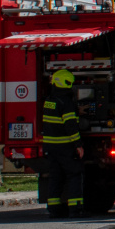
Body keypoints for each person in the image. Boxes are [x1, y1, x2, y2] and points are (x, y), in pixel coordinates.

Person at [40, 69, 84, 217]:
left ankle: (53, 209)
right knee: (74, 174)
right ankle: (75, 209)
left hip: (51, 147)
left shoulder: (49, 101)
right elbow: (70, 126)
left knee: (55, 177)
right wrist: (78, 144)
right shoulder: (66, 102)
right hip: (65, 146)